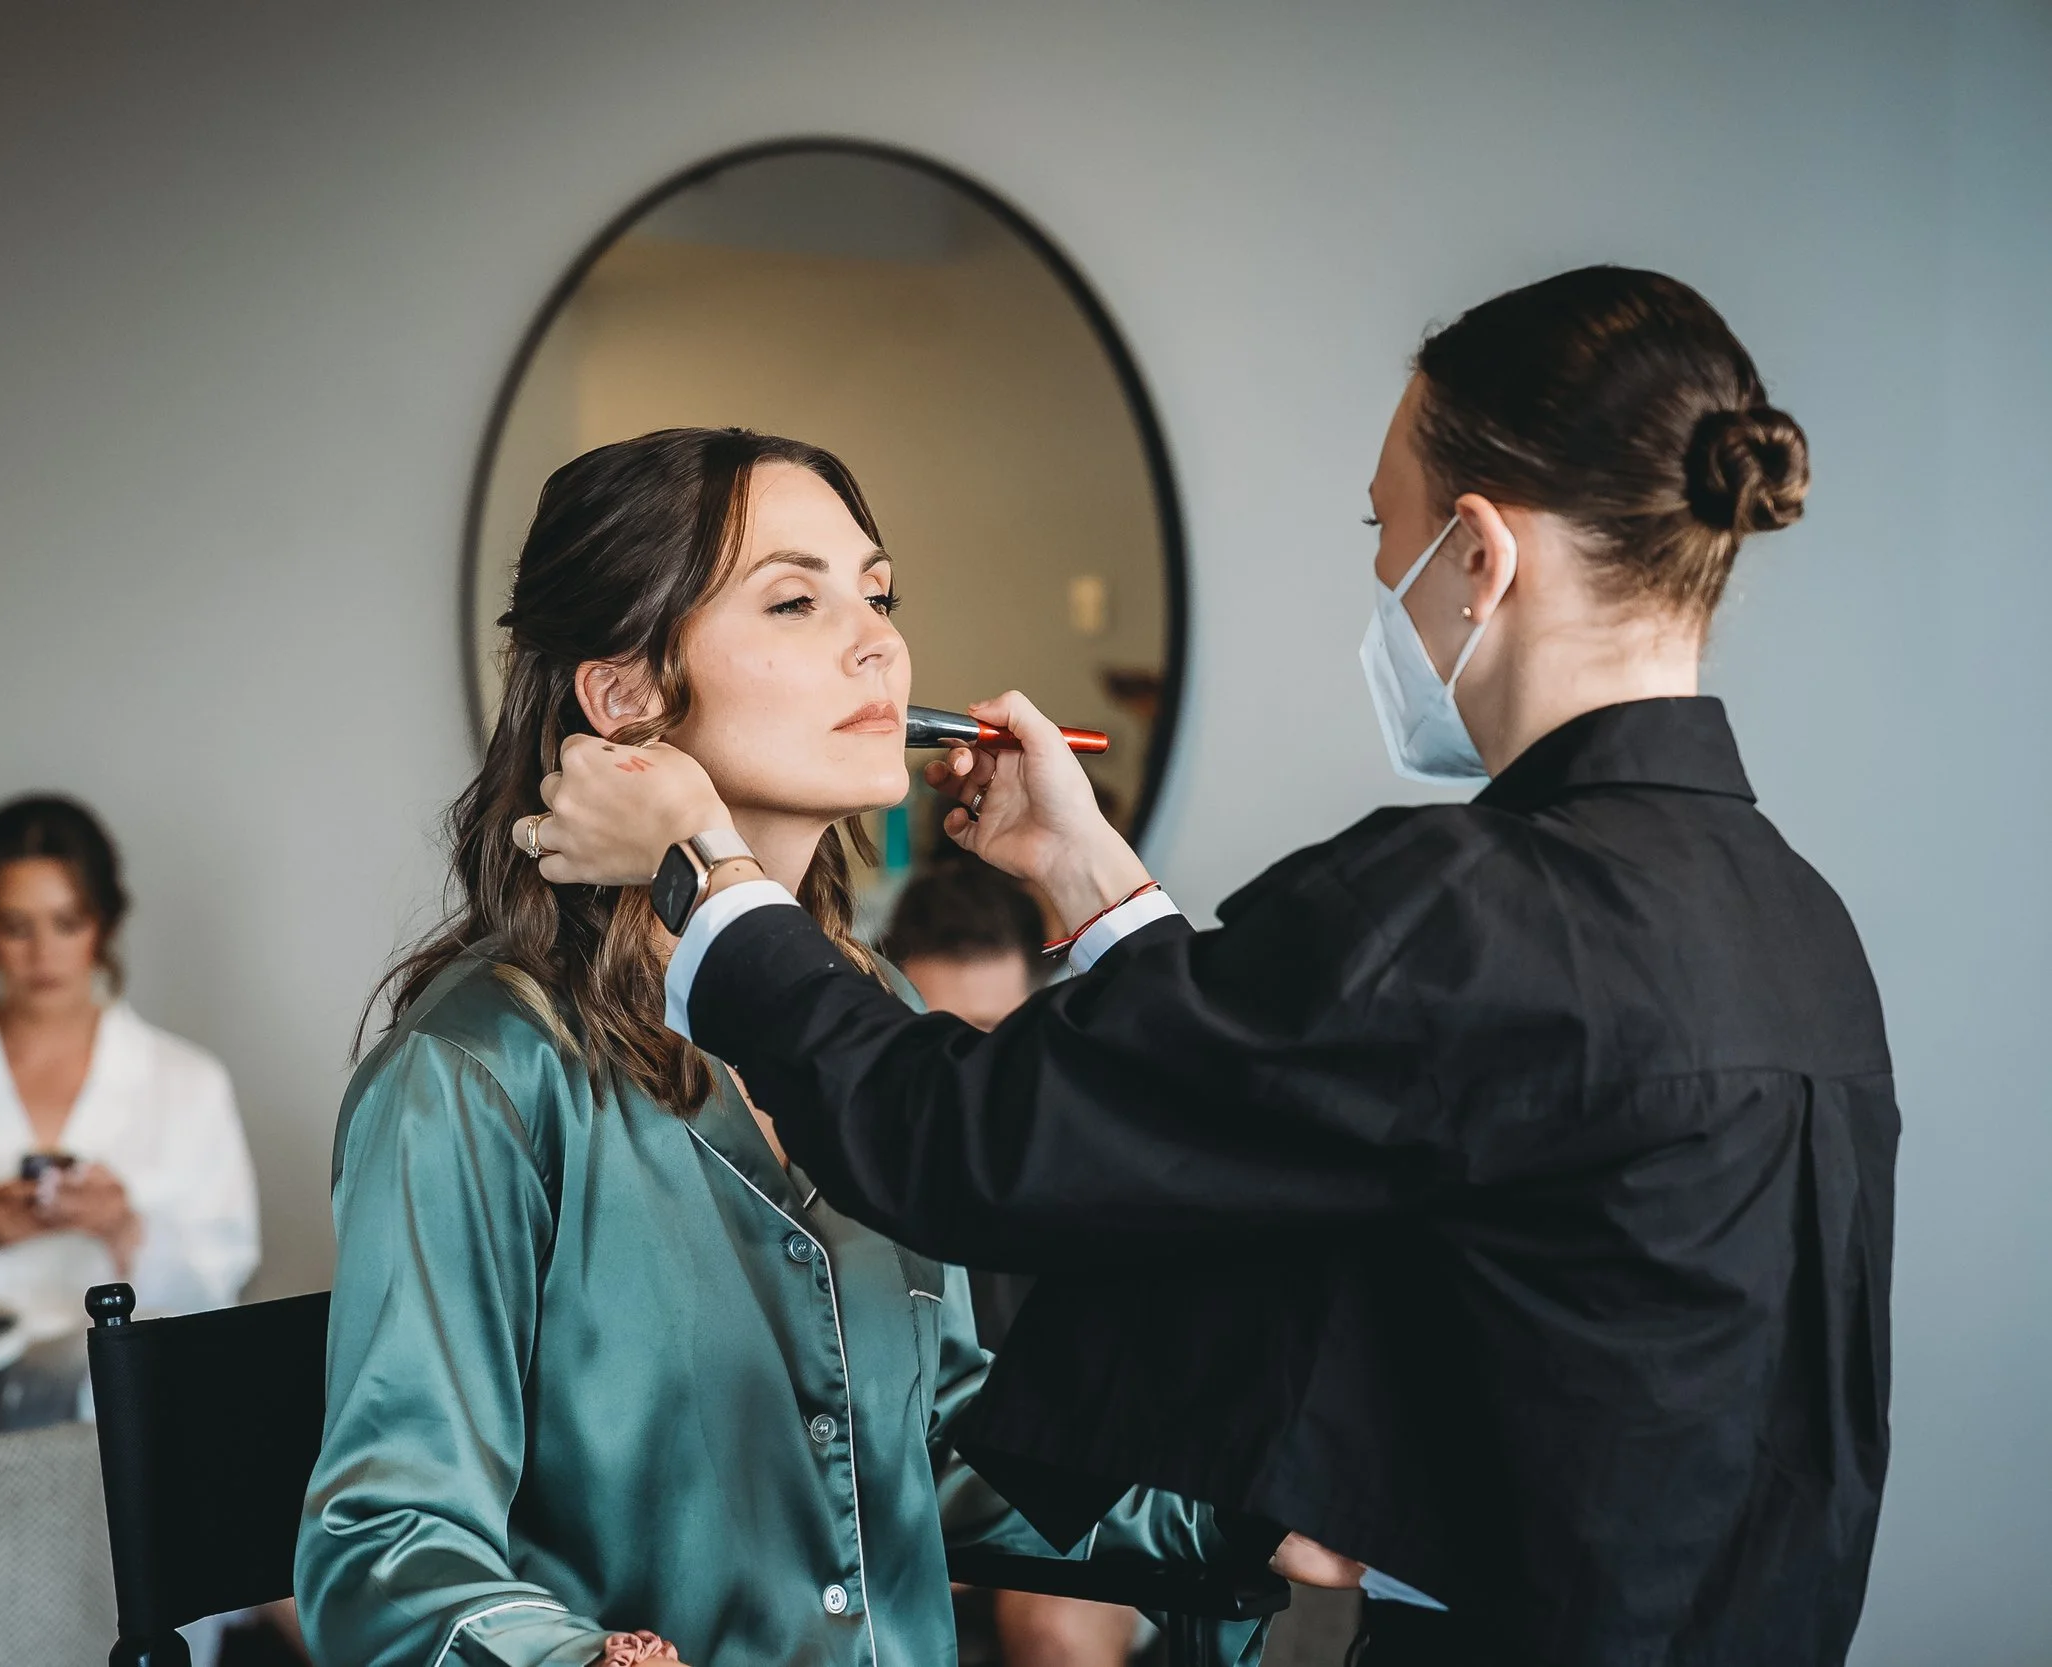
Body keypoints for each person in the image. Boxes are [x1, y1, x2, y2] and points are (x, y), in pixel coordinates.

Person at [520, 269, 1895, 1666]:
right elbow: (1297, 1100)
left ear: (1479, 552)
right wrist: (1086, 876)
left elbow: (964, 1145)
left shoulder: (1472, 913)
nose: (1380, 572)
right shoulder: (1799, 929)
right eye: (801, 600)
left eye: (1387, 526)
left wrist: (706, 872)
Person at [295, 429, 1262, 1667]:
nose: (877, 639)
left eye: (879, 590)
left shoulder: (881, 1022)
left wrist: (1230, 1510)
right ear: (624, 694)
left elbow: (930, 1439)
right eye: (797, 599)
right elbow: (385, 1538)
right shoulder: (476, 1075)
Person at [0, 793, 260, 1348]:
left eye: (67, 922)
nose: (43, 954)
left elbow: (221, 1283)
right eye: (17, 927)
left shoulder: (190, 1085)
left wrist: (124, 1229)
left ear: (104, 925)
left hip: (128, 1414)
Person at [884, 864, 1147, 1667]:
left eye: (992, 1036)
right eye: (937, 1038)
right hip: (918, 1495)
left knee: (1056, 1624)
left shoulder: (1114, 1165)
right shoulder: (854, 1165)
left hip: (1087, 1497)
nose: (964, 1075)